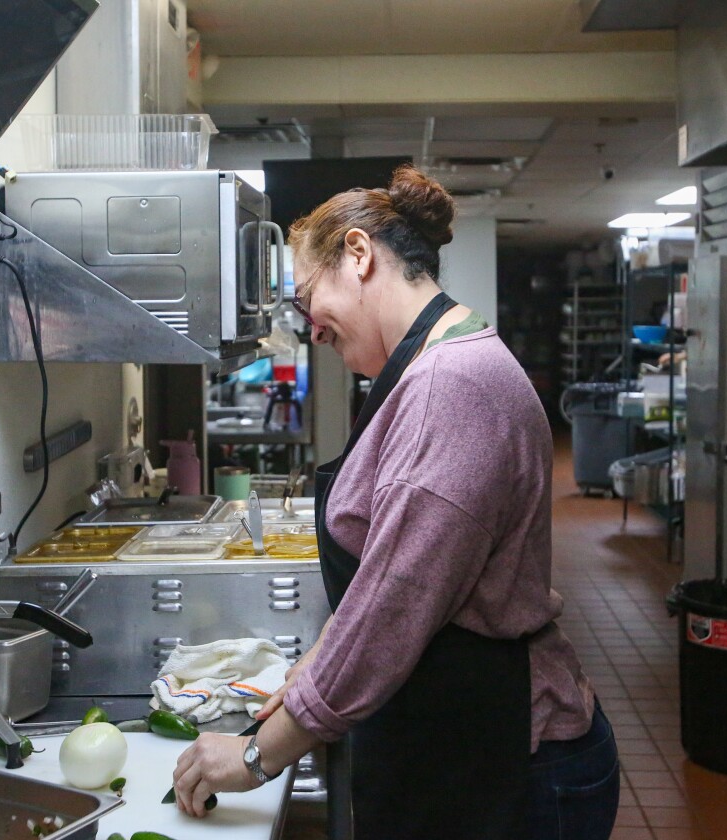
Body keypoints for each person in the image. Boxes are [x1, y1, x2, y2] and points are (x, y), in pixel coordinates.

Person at [172, 165, 620, 839]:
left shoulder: (451, 387)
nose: (311, 332)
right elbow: (390, 574)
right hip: (468, 741)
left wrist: (257, 756)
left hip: (513, 765)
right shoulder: (431, 368)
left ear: (357, 255)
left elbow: (394, 608)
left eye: (306, 300)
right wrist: (312, 671)